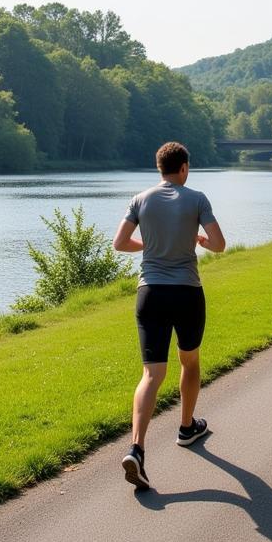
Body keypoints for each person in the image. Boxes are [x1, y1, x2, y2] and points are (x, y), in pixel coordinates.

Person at [113, 141, 226, 490]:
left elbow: (119, 243)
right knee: (189, 362)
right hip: (187, 293)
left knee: (151, 374)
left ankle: (137, 448)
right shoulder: (197, 198)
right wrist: (201, 242)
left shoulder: (140, 199)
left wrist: (149, 246)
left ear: (159, 168)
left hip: (150, 293)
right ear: (184, 168)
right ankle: (186, 426)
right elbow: (220, 244)